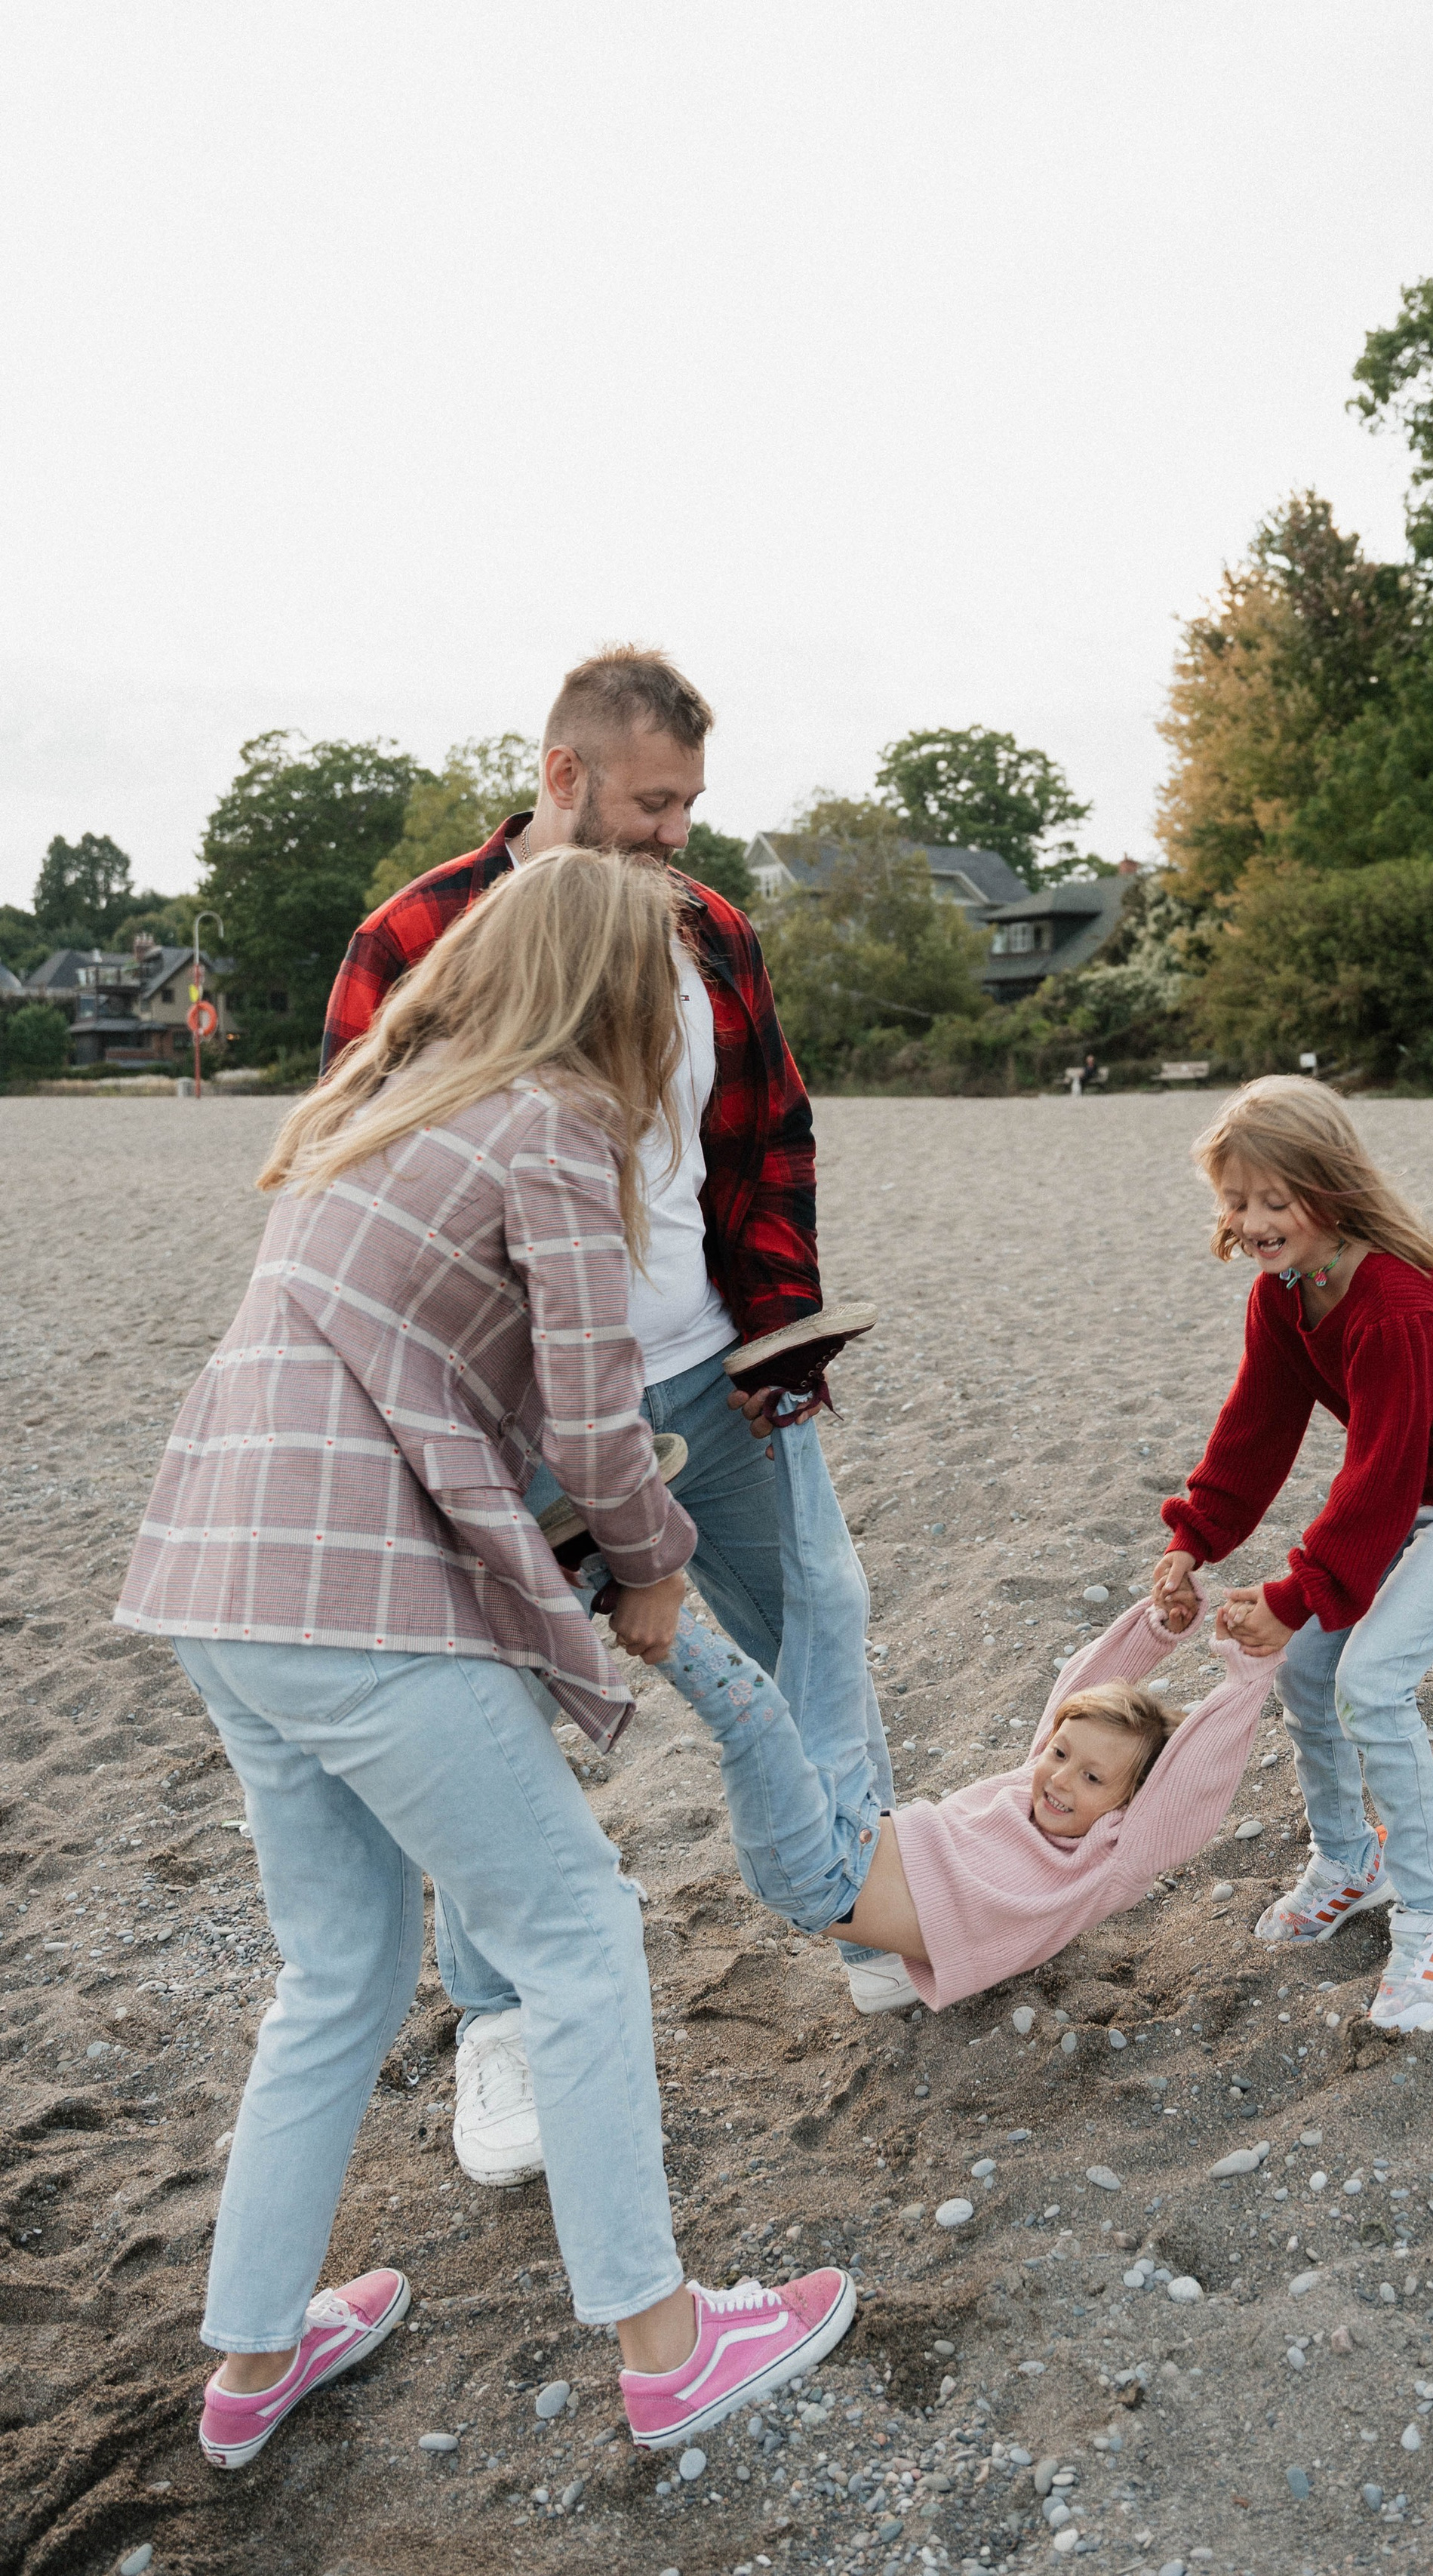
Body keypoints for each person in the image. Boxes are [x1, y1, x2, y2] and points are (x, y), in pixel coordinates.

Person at [115, 851, 856, 2470]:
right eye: (660, 975)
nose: (678, 1003)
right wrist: (650, 1571)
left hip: (212, 1574)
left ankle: (249, 2356)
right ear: (611, 983)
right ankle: (666, 2346)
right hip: (356, 1593)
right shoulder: (552, 1122)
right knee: (579, 1925)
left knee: (337, 1972)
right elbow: (595, 1407)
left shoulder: (372, 1106)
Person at [320, 645, 896, 2194]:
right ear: (563, 776)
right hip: (510, 1407)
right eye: (653, 802)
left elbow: (772, 1137)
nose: (677, 834)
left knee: (820, 1608)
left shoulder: (712, 931)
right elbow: (361, 1175)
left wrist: (779, 1345)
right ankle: (496, 2022)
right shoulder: (415, 935)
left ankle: (870, 1900)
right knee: (495, 1706)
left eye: (693, 805)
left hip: (714, 1365)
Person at [1149, 1077, 1433, 2035]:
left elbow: (1381, 1473)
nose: (1250, 1219)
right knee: (1309, 1663)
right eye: (1235, 1200)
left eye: (1273, 1199)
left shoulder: (1395, 1302)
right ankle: (1349, 1860)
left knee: (1371, 1681)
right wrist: (1192, 1538)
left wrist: (1297, 1590)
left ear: (1330, 1189)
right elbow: (1255, 1430)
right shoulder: (1284, 1295)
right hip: (1408, 1488)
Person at [644, 1412, 1283, 2010]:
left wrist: (1247, 1673)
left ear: (1131, 1803)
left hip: (823, 1869)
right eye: (1062, 1756)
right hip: (859, 1827)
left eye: (1092, 1778)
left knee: (780, 1671)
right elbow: (1079, 1692)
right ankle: (773, 1421)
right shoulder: (1042, 1782)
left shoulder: (1119, 1851)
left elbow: (1195, 1775)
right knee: (822, 1616)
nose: (1060, 1777)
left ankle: (638, 1557)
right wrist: (1158, 1628)